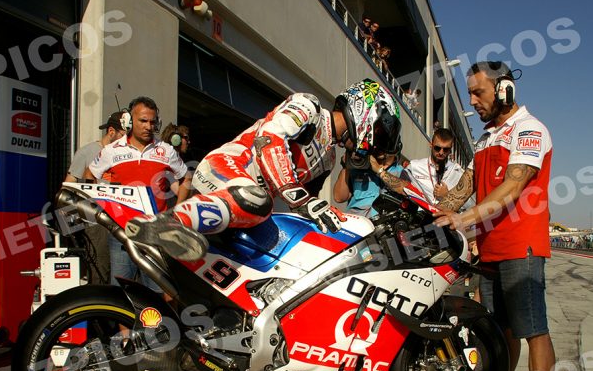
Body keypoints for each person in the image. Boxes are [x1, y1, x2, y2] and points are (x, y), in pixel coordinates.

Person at [125, 79, 402, 261]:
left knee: (277, 246)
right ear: (364, 112)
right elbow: (268, 140)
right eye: (378, 129)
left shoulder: (330, 158)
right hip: (226, 169)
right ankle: (169, 224)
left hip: (245, 207)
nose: (376, 140)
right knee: (259, 200)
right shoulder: (310, 106)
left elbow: (309, 206)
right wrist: (301, 200)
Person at [433, 61, 557, 371]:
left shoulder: (529, 129)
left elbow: (513, 185)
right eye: (468, 93)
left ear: (504, 92)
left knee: (532, 328)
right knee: (499, 330)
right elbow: (462, 189)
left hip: (522, 244)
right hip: (489, 249)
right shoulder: (486, 137)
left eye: (478, 93)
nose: (472, 101)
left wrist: (464, 218)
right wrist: (432, 211)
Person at [84, 97, 190, 291]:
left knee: (158, 292)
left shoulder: (166, 151)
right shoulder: (111, 151)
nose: (148, 126)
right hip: (121, 233)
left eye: (152, 121)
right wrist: (103, 204)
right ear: (129, 121)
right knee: (123, 294)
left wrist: (176, 211)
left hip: (156, 232)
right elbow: (90, 175)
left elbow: (185, 180)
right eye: (143, 121)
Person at [62, 111, 126, 284]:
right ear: (111, 132)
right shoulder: (87, 152)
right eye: (123, 135)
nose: (126, 140)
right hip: (96, 222)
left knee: (123, 274)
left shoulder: (125, 153)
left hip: (121, 219)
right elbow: (69, 184)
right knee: (100, 271)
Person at [333, 139, 404, 217]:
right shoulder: (359, 168)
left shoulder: (401, 172)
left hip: (384, 225)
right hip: (356, 223)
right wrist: (346, 165)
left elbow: (405, 190)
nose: (379, 148)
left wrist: (379, 170)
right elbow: (339, 198)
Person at [404, 128, 466, 206]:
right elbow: (401, 189)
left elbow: (467, 204)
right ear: (431, 145)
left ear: (450, 150)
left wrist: (448, 195)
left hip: (444, 216)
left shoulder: (457, 172)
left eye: (445, 149)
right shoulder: (414, 166)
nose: (441, 152)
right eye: (437, 148)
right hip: (419, 215)